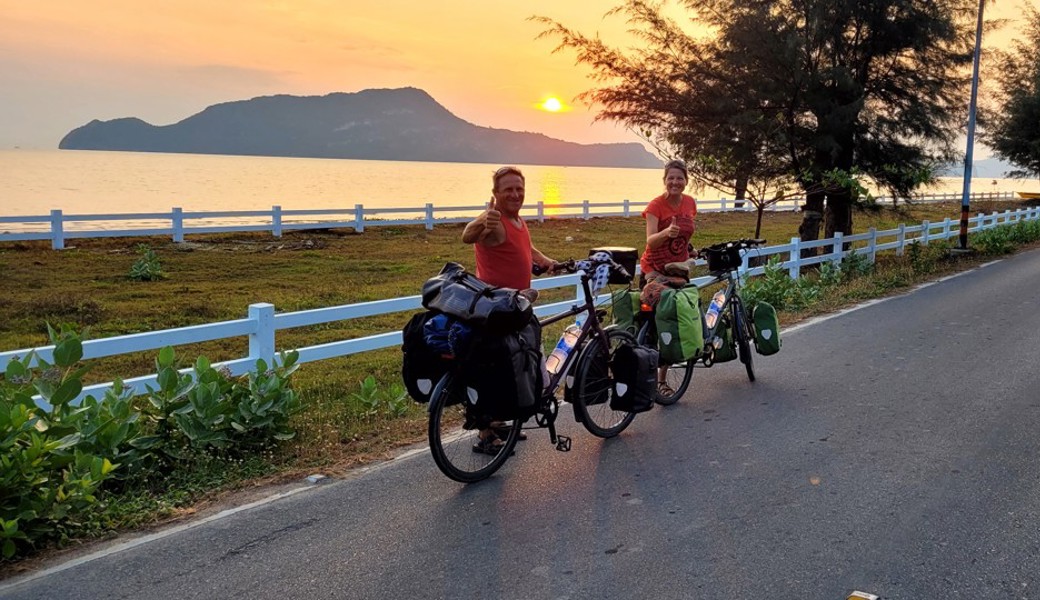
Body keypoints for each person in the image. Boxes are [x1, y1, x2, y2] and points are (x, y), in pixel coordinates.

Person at [461, 165, 555, 454]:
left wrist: (548, 261)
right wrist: (482, 221)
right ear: (495, 194)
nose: (515, 194)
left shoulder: (517, 221)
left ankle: (501, 420)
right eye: (508, 189)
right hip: (495, 311)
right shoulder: (495, 221)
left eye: (519, 188)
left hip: (515, 308)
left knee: (515, 362)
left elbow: (527, 248)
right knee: (494, 368)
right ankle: (485, 434)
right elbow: (468, 235)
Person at [640, 159, 698, 397]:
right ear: (664, 181)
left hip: (678, 269)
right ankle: (643, 373)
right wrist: (666, 232)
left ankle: (661, 381)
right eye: (671, 178)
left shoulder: (690, 203)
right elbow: (650, 241)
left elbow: (685, 233)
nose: (675, 182)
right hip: (654, 269)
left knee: (673, 321)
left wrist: (690, 249)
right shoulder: (656, 206)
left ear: (686, 181)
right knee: (655, 323)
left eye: (679, 178)